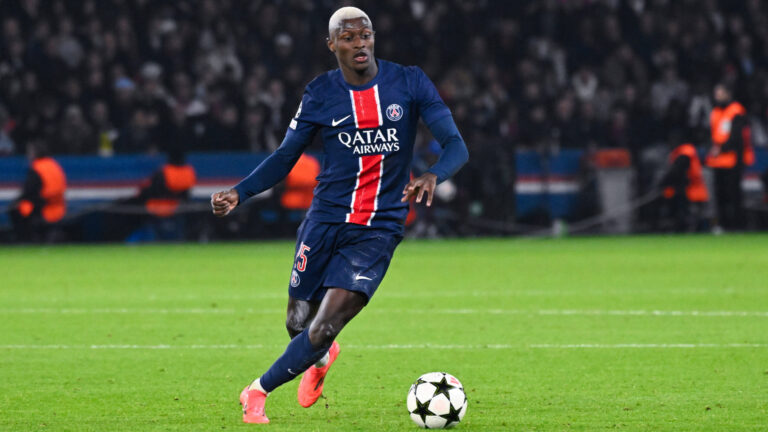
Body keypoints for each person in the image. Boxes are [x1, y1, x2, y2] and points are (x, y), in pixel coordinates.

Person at [210, 7, 468, 424]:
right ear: (332, 44)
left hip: (377, 229)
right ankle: (320, 358)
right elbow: (285, 157)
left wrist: (434, 174)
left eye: (365, 35)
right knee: (298, 322)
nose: (360, 43)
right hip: (324, 220)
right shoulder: (319, 94)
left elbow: (457, 145)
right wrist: (240, 193)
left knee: (324, 325)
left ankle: (256, 391)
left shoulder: (409, 82)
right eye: (348, 37)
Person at [705, 83, 755, 230]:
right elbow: (713, 135)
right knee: (720, 196)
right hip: (717, 161)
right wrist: (713, 149)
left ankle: (738, 225)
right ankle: (723, 225)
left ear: (728, 94)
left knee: (734, 195)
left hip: (732, 160)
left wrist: (721, 149)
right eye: (716, 94)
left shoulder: (736, 111)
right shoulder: (715, 112)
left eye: (720, 93)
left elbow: (737, 138)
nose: (717, 97)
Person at [9, 140, 67, 242]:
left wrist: (15, 202)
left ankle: (25, 241)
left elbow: (29, 191)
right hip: (58, 205)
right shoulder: (53, 164)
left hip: (43, 207)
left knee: (15, 211)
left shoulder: (37, 168)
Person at [659, 142, 709, 231]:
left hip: (692, 191)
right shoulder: (687, 151)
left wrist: (663, 184)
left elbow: (677, 172)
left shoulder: (684, 153)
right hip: (694, 190)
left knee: (689, 218)